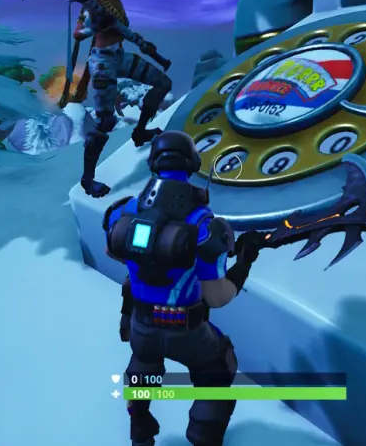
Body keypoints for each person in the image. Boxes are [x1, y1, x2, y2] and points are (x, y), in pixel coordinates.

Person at [103, 131, 262, 446]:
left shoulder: (123, 211)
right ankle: (202, 436)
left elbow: (113, 252)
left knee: (143, 365)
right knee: (219, 367)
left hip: (141, 325)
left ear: (153, 163)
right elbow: (217, 297)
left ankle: (139, 429)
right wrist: (244, 263)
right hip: (187, 332)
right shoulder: (204, 225)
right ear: (192, 163)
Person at [73, 0, 172, 198]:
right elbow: (79, 34)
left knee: (162, 83)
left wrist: (143, 44)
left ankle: (140, 132)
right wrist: (98, 25)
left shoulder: (116, 1)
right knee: (105, 122)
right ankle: (87, 179)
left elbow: (122, 31)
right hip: (103, 62)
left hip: (119, 56)